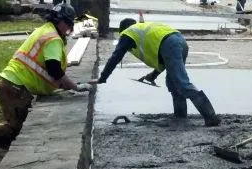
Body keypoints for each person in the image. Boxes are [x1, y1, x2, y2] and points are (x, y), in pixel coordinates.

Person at [0, 3, 91, 148]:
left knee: (16, 125)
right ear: (61, 21)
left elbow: (44, 69)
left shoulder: (45, 30)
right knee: (15, 131)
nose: (70, 28)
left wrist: (66, 84)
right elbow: (54, 70)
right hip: (16, 88)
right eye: (69, 24)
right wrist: (75, 87)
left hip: (10, 82)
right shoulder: (54, 39)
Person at [91, 18, 220, 126]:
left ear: (122, 30)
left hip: (170, 44)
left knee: (182, 83)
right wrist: (153, 75)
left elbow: (116, 57)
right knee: (173, 82)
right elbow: (163, 55)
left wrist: (103, 77)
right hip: (180, 41)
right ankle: (180, 116)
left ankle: (210, 116)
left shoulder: (128, 33)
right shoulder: (144, 29)